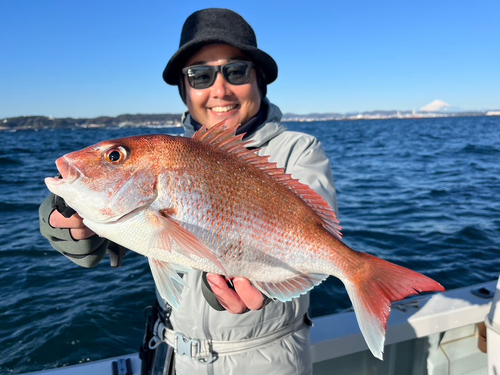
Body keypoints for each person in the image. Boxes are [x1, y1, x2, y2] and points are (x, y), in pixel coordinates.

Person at [39, 8, 338, 375]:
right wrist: (71, 226)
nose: (219, 89)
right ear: (184, 89)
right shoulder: (170, 155)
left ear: (260, 79)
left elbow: (313, 243)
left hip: (268, 361)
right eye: (200, 75)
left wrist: (232, 276)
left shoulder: (299, 150)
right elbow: (128, 234)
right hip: (172, 359)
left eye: (236, 71)